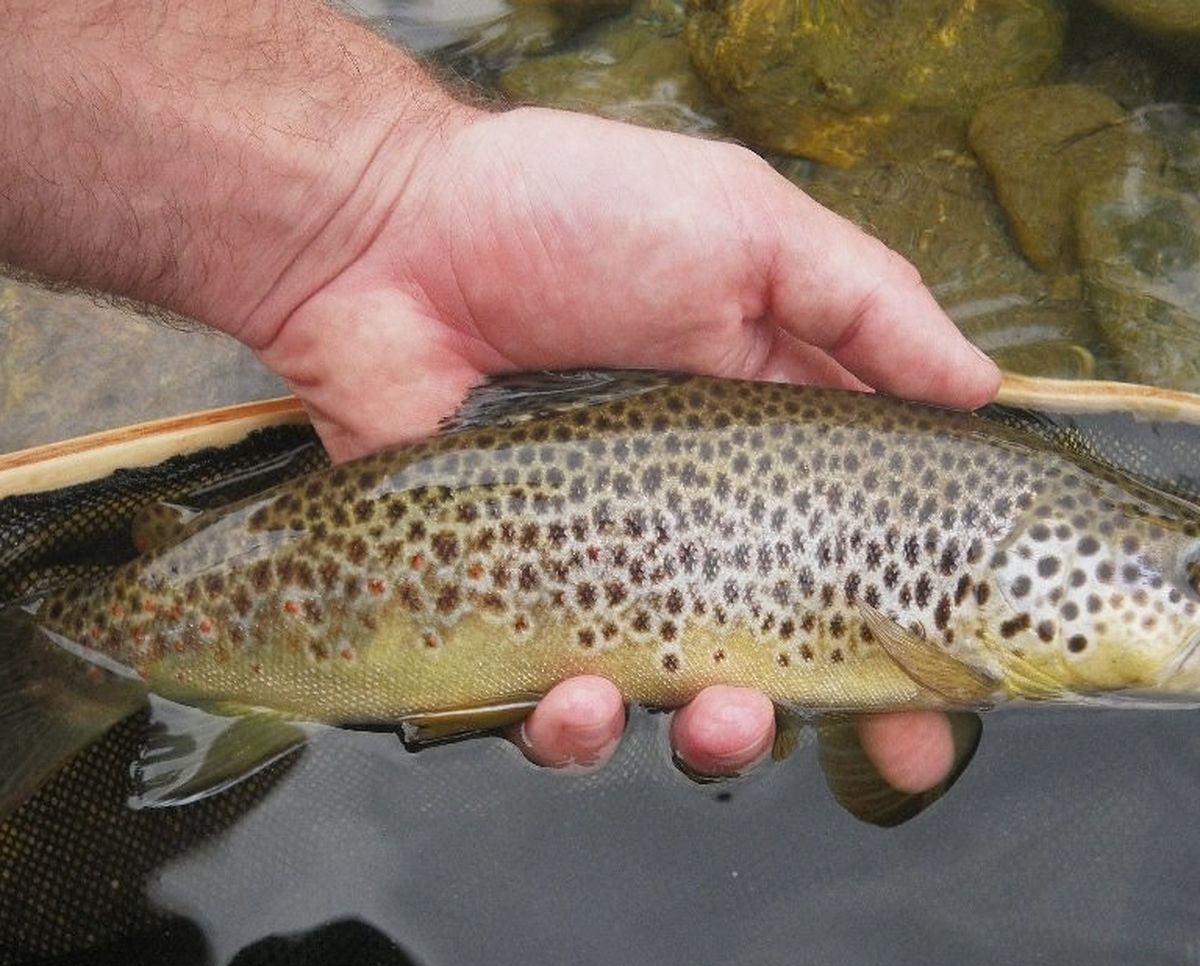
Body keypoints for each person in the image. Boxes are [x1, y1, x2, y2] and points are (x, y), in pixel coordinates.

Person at [0, 0, 1000, 791]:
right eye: (1171, 581)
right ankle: (65, 670)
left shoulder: (959, 550)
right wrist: (375, 199)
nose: (1171, 614)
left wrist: (377, 197)